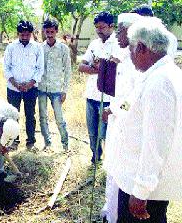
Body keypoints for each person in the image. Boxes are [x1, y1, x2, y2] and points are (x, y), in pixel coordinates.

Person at [112, 18, 182, 222]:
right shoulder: (154, 73)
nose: (130, 55)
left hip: (142, 187)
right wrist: (113, 109)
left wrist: (140, 192)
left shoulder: (160, 82)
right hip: (134, 179)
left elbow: (156, 143)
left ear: (141, 47)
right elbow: (130, 102)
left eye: (131, 48)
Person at [101, 13, 142, 223]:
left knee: (119, 173)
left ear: (131, 32)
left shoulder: (138, 63)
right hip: (116, 122)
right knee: (111, 169)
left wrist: (113, 109)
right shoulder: (123, 57)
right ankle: (109, 212)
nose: (116, 34)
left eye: (120, 30)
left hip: (126, 124)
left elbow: (132, 100)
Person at [78, 12, 120, 163]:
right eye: (96, 27)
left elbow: (115, 70)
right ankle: (95, 157)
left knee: (106, 133)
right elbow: (81, 66)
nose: (98, 30)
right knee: (92, 132)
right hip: (91, 95)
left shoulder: (118, 44)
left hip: (108, 98)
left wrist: (97, 67)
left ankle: (110, 163)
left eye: (102, 27)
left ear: (111, 26)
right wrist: (101, 68)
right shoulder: (94, 44)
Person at [4, 20, 44, 150]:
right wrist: (15, 83)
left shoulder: (37, 48)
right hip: (13, 88)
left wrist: (30, 84)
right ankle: (13, 141)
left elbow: (40, 69)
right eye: (22, 35)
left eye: (27, 35)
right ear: (18, 34)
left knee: (30, 115)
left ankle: (31, 142)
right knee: (12, 115)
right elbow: (6, 68)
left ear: (31, 34)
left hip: (31, 88)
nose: (25, 37)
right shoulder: (11, 47)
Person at [38, 19, 71, 151]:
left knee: (59, 118)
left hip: (57, 89)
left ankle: (65, 144)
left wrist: (65, 90)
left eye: (52, 32)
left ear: (56, 31)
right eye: (47, 32)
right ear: (44, 32)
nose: (50, 34)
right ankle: (47, 143)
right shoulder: (40, 48)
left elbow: (68, 70)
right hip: (41, 88)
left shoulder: (63, 48)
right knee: (43, 117)